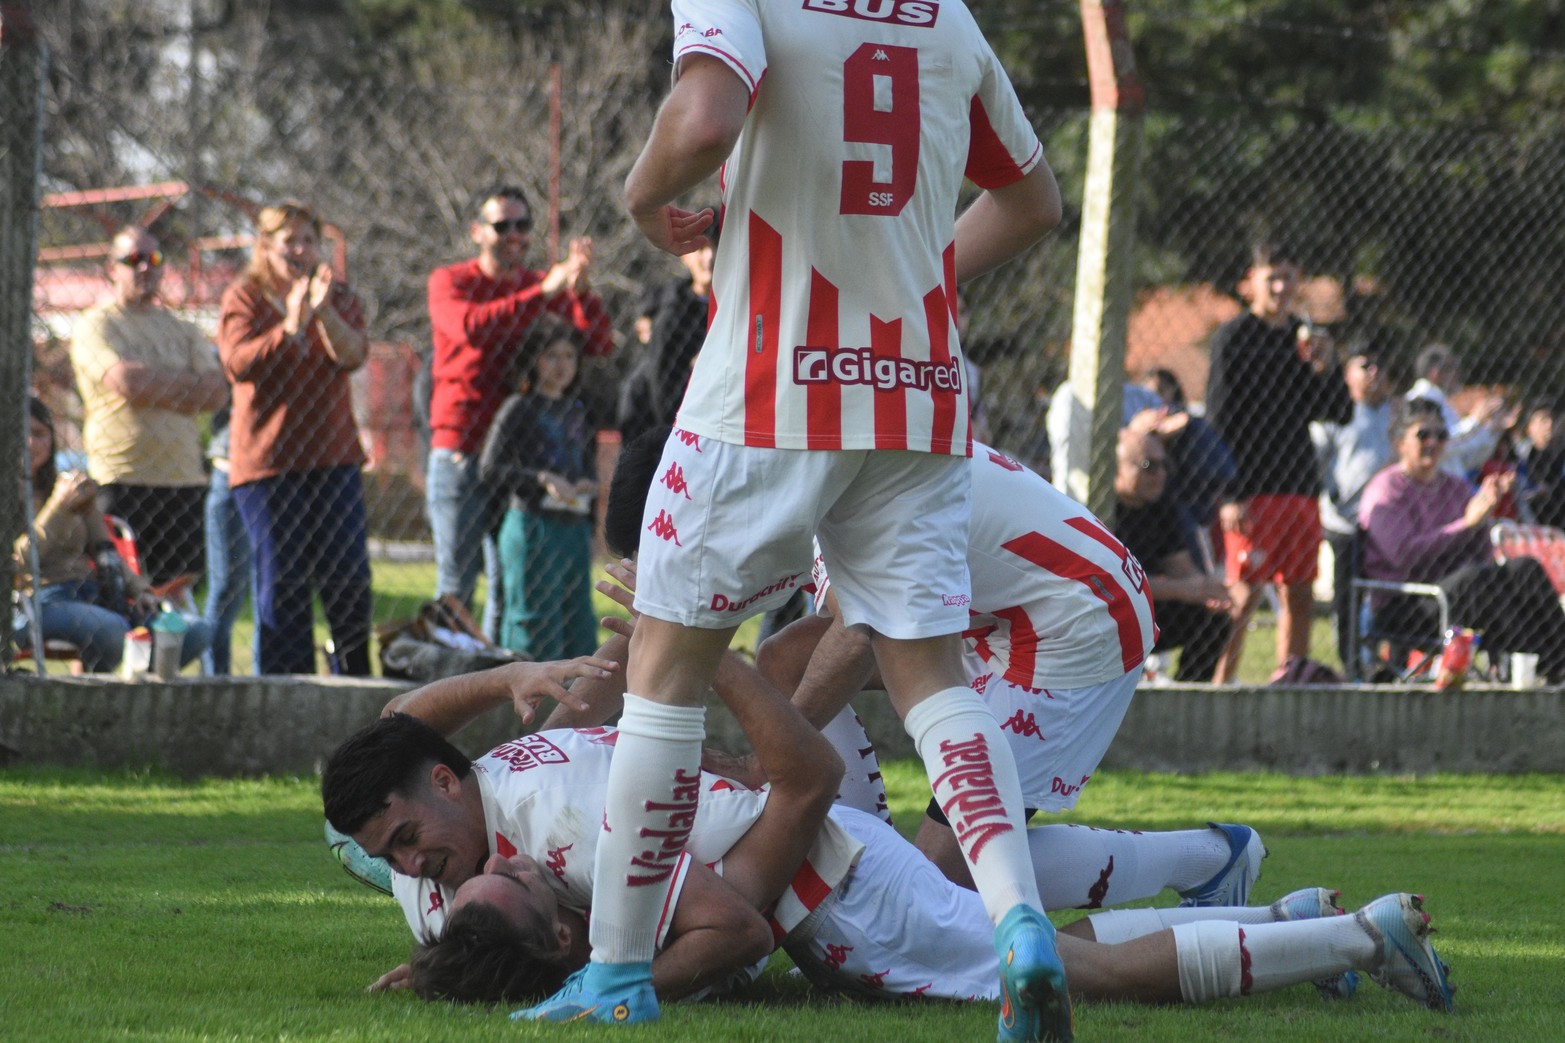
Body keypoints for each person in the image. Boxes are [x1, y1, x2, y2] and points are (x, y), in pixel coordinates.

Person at [576, 3, 1067, 1033]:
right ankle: (1018, 921)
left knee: (663, 667)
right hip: (915, 391)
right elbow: (1032, 201)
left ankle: (617, 975)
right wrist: (924, 273)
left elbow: (705, 120)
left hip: (765, 394)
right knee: (930, 673)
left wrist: (637, 195)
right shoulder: (946, 13)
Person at [323, 650, 1453, 1018]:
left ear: (450, 784)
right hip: (823, 854)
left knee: (1078, 974)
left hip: (844, 892)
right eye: (391, 854)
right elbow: (386, 733)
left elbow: (731, 925)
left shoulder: (564, 816)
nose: (409, 864)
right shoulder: (442, 841)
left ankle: (1358, 933)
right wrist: (432, 966)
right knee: (1039, 925)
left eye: (411, 837)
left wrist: (612, 989)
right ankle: (1280, 911)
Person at [425, 185, 614, 637]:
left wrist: (582, 292)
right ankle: (443, 695)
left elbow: (597, 342)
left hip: (517, 463)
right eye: (501, 225)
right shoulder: (450, 282)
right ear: (476, 231)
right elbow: (471, 328)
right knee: (457, 585)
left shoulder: (536, 286)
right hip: (464, 450)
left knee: (510, 587)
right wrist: (542, 293)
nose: (514, 235)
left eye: (523, 225)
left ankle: (492, 691)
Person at [216, 200, 373, 676]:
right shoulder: (245, 298)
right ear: (266, 247)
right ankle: (286, 686)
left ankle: (355, 681)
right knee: (282, 584)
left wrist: (321, 314)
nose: (301, 250)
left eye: (309, 239)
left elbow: (353, 355)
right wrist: (287, 326)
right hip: (268, 466)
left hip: (332, 459)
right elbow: (236, 363)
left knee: (348, 578)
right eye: (290, 241)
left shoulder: (338, 297)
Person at [1205, 240, 1352, 684]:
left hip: (1301, 485)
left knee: (1300, 593)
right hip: (1251, 489)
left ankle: (1290, 685)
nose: (1281, 285)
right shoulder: (1233, 338)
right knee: (1244, 596)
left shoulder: (1307, 340)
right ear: (1251, 282)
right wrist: (1229, 494)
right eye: (1272, 276)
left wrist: (1326, 367)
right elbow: (1217, 419)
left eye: (1289, 276)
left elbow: (1340, 411)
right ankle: (1218, 687)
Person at [1358, 397, 1565, 683]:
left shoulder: (1454, 486)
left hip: (1458, 591)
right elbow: (1404, 557)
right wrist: (1465, 525)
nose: (1433, 442)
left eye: (1441, 435)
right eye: (1423, 434)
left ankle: (1557, 663)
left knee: (1523, 569)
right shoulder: (1386, 490)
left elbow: (1481, 554)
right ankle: (1538, 665)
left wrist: (1483, 519)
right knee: (1475, 580)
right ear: (1399, 442)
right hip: (1408, 603)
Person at [68, 226, 229, 589]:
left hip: (182, 481)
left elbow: (217, 392)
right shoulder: (96, 324)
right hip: (122, 480)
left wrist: (150, 383)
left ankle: (173, 649)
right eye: (134, 260)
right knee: (121, 592)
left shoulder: (184, 329)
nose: (145, 268)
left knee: (175, 595)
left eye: (154, 259)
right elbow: (126, 382)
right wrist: (187, 386)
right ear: (112, 268)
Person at [13, 395, 210, 673]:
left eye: (39, 434)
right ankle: (94, 702)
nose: (31, 443)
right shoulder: (13, 494)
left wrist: (141, 590)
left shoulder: (68, 484)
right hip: (39, 599)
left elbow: (106, 549)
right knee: (110, 629)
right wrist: (57, 508)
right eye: (23, 433)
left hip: (95, 592)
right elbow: (18, 560)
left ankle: (137, 696)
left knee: (192, 631)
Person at [478, 315, 599, 661]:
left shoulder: (579, 408)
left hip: (573, 528)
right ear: (533, 360)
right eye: (552, 356)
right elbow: (489, 468)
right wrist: (542, 480)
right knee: (533, 624)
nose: (562, 365)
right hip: (533, 527)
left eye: (569, 357)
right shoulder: (519, 407)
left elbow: (586, 460)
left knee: (578, 626)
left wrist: (588, 492)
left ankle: (576, 711)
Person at [1111, 430, 1232, 683]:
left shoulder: (1161, 504)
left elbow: (1182, 568)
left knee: (1215, 619)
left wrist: (1207, 590)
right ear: (1119, 469)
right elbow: (1115, 584)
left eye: (1164, 464)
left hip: (1148, 609)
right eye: (1149, 466)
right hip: (1109, 613)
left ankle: (1188, 697)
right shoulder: (1105, 508)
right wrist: (1184, 589)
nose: (1161, 475)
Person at [1310, 345, 1394, 668]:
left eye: (1380, 365)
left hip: (1386, 521)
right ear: (1347, 374)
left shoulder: (1394, 412)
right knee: (1347, 595)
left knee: (1386, 590)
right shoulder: (1336, 411)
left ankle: (1386, 657)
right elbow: (1319, 458)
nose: (1375, 371)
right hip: (1345, 522)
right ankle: (1352, 661)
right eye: (1366, 365)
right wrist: (1332, 495)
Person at [615, 216, 715, 449]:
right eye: (700, 248)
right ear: (684, 255)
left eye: (716, 246)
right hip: (660, 422)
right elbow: (661, 384)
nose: (709, 257)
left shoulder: (738, 304)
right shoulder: (671, 309)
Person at [200, 403, 253, 675]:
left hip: (278, 473)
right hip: (229, 471)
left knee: (270, 589)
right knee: (225, 586)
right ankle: (214, 679)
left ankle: (264, 678)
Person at [1405, 343, 1511, 478]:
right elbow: (1442, 444)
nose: (1457, 373)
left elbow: (1464, 455)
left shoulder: (1440, 400)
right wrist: (1475, 420)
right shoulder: (1422, 399)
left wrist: (1491, 431)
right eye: (1452, 368)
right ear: (1434, 374)